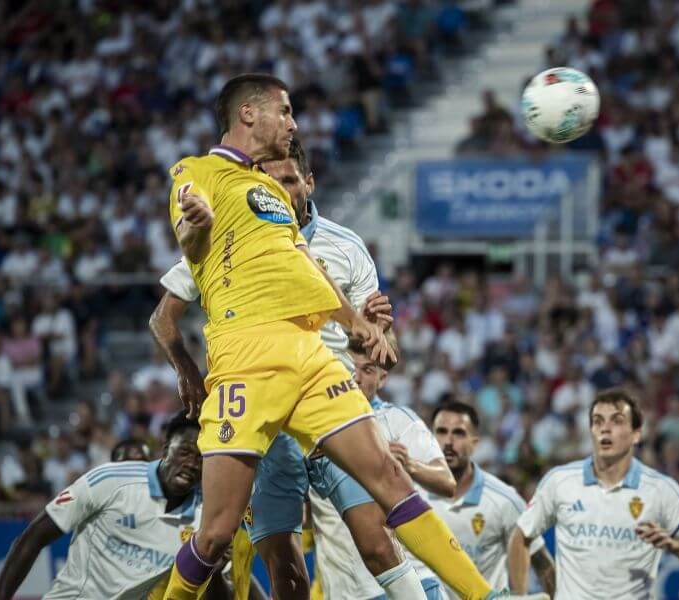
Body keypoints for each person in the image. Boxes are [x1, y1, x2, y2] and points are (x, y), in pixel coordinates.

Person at [163, 72, 500, 600]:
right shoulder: (198, 171)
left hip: (309, 355)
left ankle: (486, 597)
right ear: (249, 114)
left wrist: (356, 323)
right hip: (247, 359)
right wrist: (193, 224)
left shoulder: (269, 192)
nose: (293, 122)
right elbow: (187, 224)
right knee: (215, 533)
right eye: (286, 110)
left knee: (388, 477)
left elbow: (303, 268)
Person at [153, 140, 429, 599]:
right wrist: (184, 366)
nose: (278, 188)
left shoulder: (348, 247)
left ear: (308, 183)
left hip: (331, 410)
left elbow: (384, 352)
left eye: (287, 181)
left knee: (379, 543)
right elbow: (161, 317)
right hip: (262, 416)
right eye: (270, 180)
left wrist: (380, 334)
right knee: (284, 567)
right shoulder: (231, 229)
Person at [506, 388, 679, 599]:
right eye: (598, 421)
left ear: (637, 435)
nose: (605, 429)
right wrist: (520, 595)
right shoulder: (559, 481)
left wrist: (674, 545)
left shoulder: (661, 490)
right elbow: (521, 535)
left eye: (617, 421)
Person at [0, 412, 206, 599]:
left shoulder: (205, 517)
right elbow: (34, 536)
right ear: (166, 449)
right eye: (185, 453)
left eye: (201, 458)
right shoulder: (110, 479)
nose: (192, 464)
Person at [307, 337, 455, 600]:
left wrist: (411, 465)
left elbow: (447, 482)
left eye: (367, 370)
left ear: (383, 378)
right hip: (347, 593)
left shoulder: (398, 420)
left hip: (413, 583)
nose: (356, 378)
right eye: (349, 368)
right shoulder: (311, 431)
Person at [430, 402, 553, 597]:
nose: (448, 441)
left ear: (474, 443)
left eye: (459, 433)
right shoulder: (409, 495)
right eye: (442, 432)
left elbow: (544, 565)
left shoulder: (504, 500)